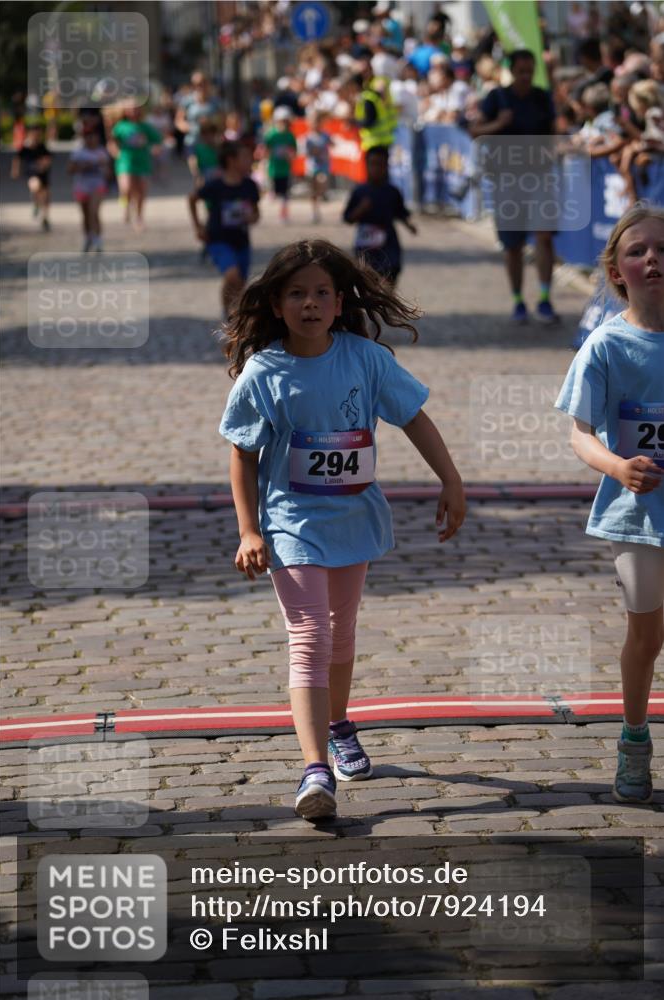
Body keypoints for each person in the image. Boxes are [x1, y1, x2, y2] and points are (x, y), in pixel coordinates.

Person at [219, 239, 466, 820]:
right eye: (297, 293)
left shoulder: (366, 359)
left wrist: (451, 480)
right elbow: (242, 454)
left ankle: (338, 723)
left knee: (342, 630)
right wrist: (249, 531)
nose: (310, 303)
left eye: (321, 293)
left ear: (339, 301)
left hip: (354, 518)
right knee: (310, 636)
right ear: (276, 304)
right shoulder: (264, 371)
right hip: (292, 523)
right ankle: (315, 771)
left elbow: (414, 418)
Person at [555, 203, 664, 805]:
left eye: (663, 249)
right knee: (646, 637)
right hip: (638, 514)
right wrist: (620, 467)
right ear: (617, 271)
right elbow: (579, 433)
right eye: (638, 251)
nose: (653, 259)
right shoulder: (606, 345)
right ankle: (634, 737)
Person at [470, 49, 559, 325]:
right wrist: (499, 123)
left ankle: (544, 298)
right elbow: (475, 131)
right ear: (511, 70)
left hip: (539, 178)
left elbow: (554, 132)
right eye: (521, 71)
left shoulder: (542, 97)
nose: (525, 76)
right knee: (514, 245)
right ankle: (518, 300)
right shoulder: (497, 97)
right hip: (507, 181)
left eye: (529, 70)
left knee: (544, 237)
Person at [189, 140, 260, 318]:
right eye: (245, 157)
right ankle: (228, 315)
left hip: (241, 240)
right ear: (231, 160)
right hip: (218, 239)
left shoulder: (250, 185)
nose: (250, 160)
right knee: (232, 276)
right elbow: (192, 199)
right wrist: (198, 227)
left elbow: (256, 213)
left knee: (239, 283)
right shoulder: (215, 185)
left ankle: (230, 315)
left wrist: (252, 217)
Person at [343, 145, 417, 285]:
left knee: (390, 278)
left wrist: (409, 226)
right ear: (366, 165)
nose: (377, 169)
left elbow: (400, 212)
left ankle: (387, 304)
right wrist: (360, 209)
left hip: (388, 242)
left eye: (381, 165)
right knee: (368, 282)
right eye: (373, 164)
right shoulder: (360, 191)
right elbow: (348, 218)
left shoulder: (392, 191)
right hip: (366, 246)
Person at [109, 99, 162, 232]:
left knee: (141, 192)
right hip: (125, 161)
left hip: (142, 162)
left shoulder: (145, 126)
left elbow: (158, 140)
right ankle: (125, 207)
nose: (133, 111)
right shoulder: (120, 126)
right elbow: (112, 142)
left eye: (135, 108)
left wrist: (155, 148)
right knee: (126, 188)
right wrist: (115, 152)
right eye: (130, 108)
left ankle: (139, 218)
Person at [67, 125, 110, 251]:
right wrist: (83, 167)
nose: (91, 139)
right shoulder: (78, 152)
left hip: (98, 185)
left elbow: (109, 173)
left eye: (93, 137)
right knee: (85, 214)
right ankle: (88, 237)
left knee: (94, 211)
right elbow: (69, 170)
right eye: (88, 137)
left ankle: (98, 239)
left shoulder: (102, 152)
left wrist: (103, 166)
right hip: (81, 186)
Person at [10, 122, 52, 231]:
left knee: (46, 197)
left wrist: (44, 165)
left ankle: (45, 218)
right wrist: (15, 170)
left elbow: (48, 158)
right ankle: (36, 204)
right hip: (32, 174)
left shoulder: (42, 146)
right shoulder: (25, 147)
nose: (37, 136)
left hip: (43, 175)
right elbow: (17, 158)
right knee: (35, 187)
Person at [263, 107, 297, 222]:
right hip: (273, 169)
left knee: (285, 194)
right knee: (273, 194)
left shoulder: (290, 136)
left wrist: (289, 155)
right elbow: (265, 150)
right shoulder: (271, 135)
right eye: (282, 121)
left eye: (286, 121)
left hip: (285, 169)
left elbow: (294, 151)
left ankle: (283, 214)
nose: (284, 124)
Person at [305, 110, 332, 224]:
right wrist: (314, 151)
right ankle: (315, 212)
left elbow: (332, 143)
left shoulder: (325, 135)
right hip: (312, 166)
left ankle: (323, 193)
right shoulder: (309, 137)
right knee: (313, 191)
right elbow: (307, 152)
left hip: (323, 165)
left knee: (323, 180)